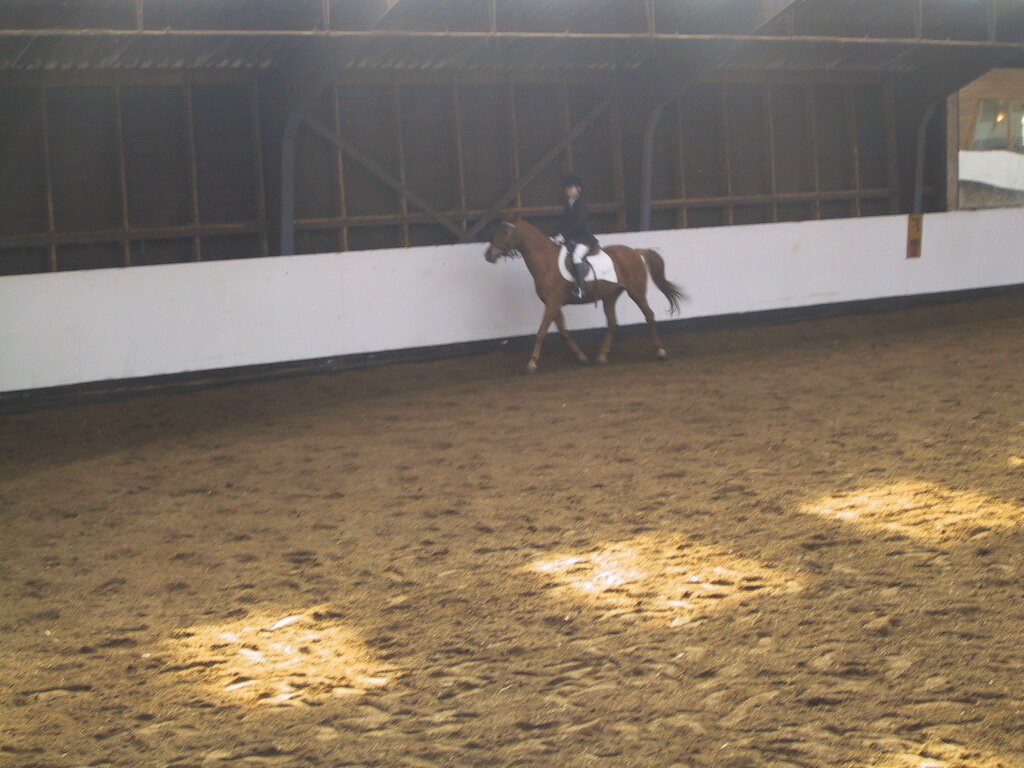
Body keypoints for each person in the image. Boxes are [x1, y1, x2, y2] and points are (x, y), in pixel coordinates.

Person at [553, 174, 599, 301]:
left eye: (571, 188)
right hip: (571, 240)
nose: (568, 190)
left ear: (578, 189)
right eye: (567, 188)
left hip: (584, 239)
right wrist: (556, 234)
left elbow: (578, 223)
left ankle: (581, 289)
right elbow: (563, 223)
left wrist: (564, 235)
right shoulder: (568, 204)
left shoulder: (582, 203)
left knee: (576, 257)